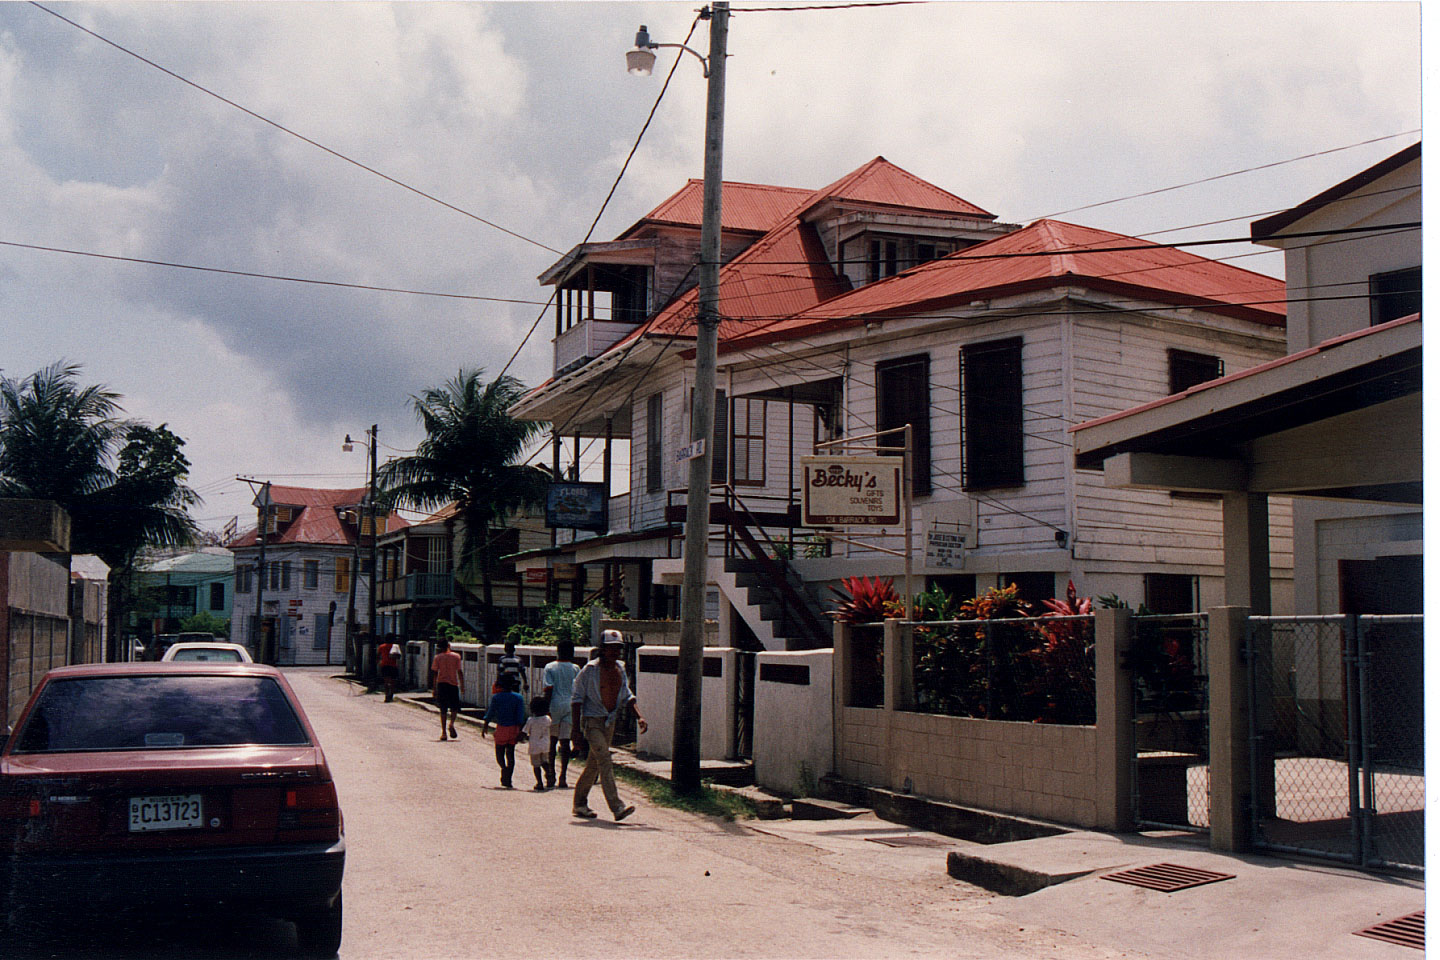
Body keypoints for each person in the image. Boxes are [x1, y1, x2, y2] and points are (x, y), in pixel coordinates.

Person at [571, 630, 646, 821]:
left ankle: (579, 803)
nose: (615, 652)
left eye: (618, 648)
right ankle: (617, 806)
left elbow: (628, 695)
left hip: (609, 721)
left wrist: (639, 717)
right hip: (592, 721)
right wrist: (576, 730)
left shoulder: (620, 669)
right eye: (611, 648)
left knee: (594, 764)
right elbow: (577, 699)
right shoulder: (589, 670)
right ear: (602, 649)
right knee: (605, 759)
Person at [542, 639, 582, 788]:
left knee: (552, 742)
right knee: (565, 742)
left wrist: (546, 709)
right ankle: (563, 777)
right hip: (570, 706)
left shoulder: (550, 667)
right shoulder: (575, 668)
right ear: (572, 653)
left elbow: (549, 689)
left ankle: (551, 773)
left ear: (557, 651)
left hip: (554, 705)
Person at [481, 675, 526, 788]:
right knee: (510, 754)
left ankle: (503, 769)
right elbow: (520, 716)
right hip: (513, 729)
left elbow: (490, 712)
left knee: (499, 753)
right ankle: (508, 777)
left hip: (501, 728)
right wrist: (521, 731)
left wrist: (485, 725)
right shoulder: (518, 698)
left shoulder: (497, 697)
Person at [429, 638, 464, 741]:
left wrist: (434, 688)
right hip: (453, 684)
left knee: (443, 709)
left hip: (442, 684)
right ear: (449, 645)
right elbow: (459, 671)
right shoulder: (456, 656)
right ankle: (452, 723)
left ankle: (444, 732)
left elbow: (435, 673)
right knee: (454, 707)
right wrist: (462, 685)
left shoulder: (438, 658)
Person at [522, 695, 552, 791]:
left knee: (536, 765)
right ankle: (549, 772)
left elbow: (524, 732)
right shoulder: (548, 719)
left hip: (534, 745)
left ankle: (539, 783)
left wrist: (518, 738)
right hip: (546, 744)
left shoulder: (531, 720)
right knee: (544, 761)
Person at [378, 634, 403, 702]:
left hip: (384, 665)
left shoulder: (381, 646)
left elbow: (378, 656)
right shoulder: (395, 647)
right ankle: (391, 695)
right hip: (393, 665)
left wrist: (379, 663)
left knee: (386, 681)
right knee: (393, 682)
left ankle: (386, 695)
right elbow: (399, 656)